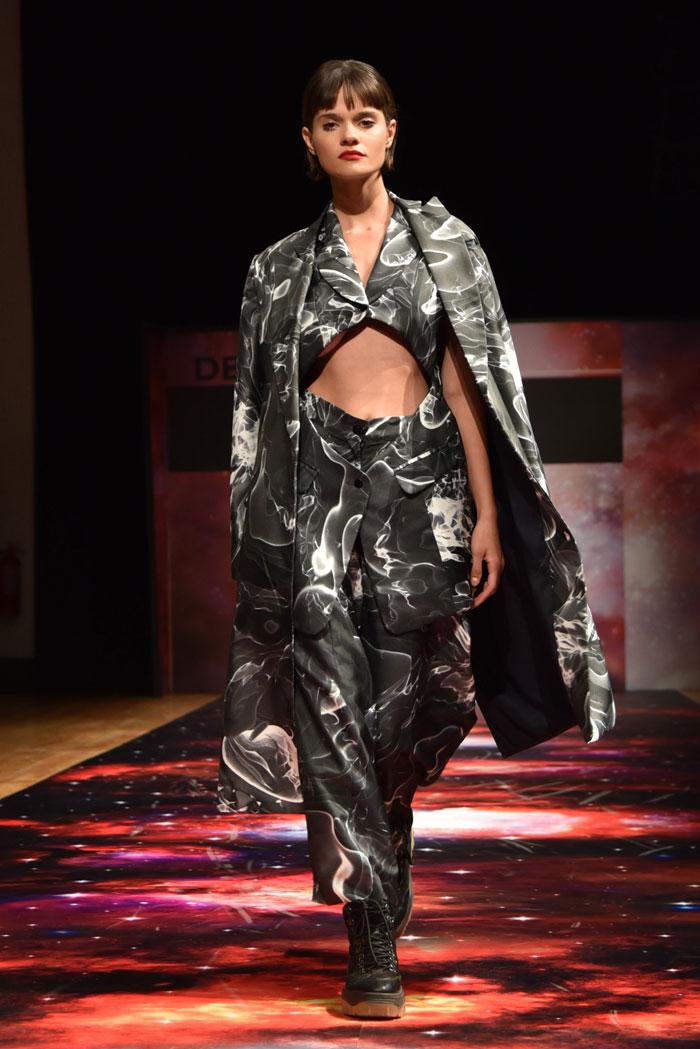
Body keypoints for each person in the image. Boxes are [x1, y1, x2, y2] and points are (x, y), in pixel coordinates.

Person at [217, 57, 616, 1021]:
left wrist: (488, 514)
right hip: (313, 496)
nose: (349, 131)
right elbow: (256, 414)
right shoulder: (278, 268)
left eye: (366, 116)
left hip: (421, 491)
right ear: (309, 143)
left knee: (409, 708)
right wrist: (260, 539)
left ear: (391, 133)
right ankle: (370, 934)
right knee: (330, 703)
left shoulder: (447, 247)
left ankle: (385, 854)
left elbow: (474, 387)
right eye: (330, 120)